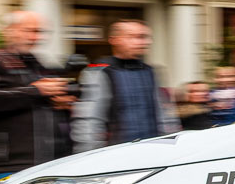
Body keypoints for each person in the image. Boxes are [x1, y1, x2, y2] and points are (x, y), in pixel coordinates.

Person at [0, 11, 72, 184]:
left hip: (44, 163)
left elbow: (39, 100)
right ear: (9, 31)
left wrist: (63, 103)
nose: (35, 37)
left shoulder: (37, 64)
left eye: (39, 32)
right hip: (6, 166)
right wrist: (36, 91)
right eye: (29, 31)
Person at [72, 20, 177, 150]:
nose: (145, 42)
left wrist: (171, 146)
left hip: (152, 149)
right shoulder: (99, 71)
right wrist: (88, 153)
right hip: (117, 152)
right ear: (115, 40)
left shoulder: (151, 71)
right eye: (135, 37)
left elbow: (164, 115)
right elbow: (90, 119)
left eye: (145, 37)